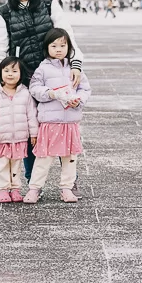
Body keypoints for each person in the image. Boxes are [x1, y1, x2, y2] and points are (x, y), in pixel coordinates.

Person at [0, 0, 83, 188]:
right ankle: (32, 180)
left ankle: (68, 180)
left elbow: (66, 35)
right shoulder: (4, 12)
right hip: (24, 77)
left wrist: (76, 63)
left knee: (60, 125)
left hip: (53, 76)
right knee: (29, 129)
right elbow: (0, 51)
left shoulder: (49, 3)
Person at [23, 28, 91, 203]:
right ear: (47, 48)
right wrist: (51, 93)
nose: (59, 49)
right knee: (44, 158)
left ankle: (66, 188)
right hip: (50, 122)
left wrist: (79, 100)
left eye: (63, 45)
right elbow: (34, 89)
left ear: (69, 47)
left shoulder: (74, 69)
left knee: (70, 158)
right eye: (54, 45)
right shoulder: (43, 69)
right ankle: (34, 188)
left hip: (70, 122)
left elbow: (85, 89)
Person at [0, 57, 38, 203]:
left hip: (20, 138)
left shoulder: (25, 93)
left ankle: (15, 189)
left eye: (14, 71)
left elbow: (31, 115)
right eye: (6, 70)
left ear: (20, 74)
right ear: (0, 73)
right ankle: (2, 189)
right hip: (2, 139)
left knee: (16, 165)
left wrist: (34, 133)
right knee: (1, 165)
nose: (10, 74)